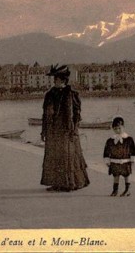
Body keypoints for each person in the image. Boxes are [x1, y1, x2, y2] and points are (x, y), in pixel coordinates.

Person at [40, 64, 90, 192]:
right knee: (54, 157)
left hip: (67, 131)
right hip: (53, 131)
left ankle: (69, 183)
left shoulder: (72, 94)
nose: (54, 82)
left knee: (67, 157)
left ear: (63, 81)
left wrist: (74, 129)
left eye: (56, 80)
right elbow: (45, 114)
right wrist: (44, 130)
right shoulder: (49, 95)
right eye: (54, 80)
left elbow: (77, 114)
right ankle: (56, 183)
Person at [103, 116, 135, 197]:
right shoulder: (110, 140)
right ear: (113, 129)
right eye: (115, 129)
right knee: (115, 175)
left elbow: (134, 151)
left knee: (127, 175)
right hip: (114, 161)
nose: (117, 130)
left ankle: (127, 190)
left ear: (123, 127)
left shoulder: (129, 139)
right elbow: (106, 151)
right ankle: (115, 190)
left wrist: (133, 160)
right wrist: (107, 160)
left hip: (126, 161)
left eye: (119, 128)